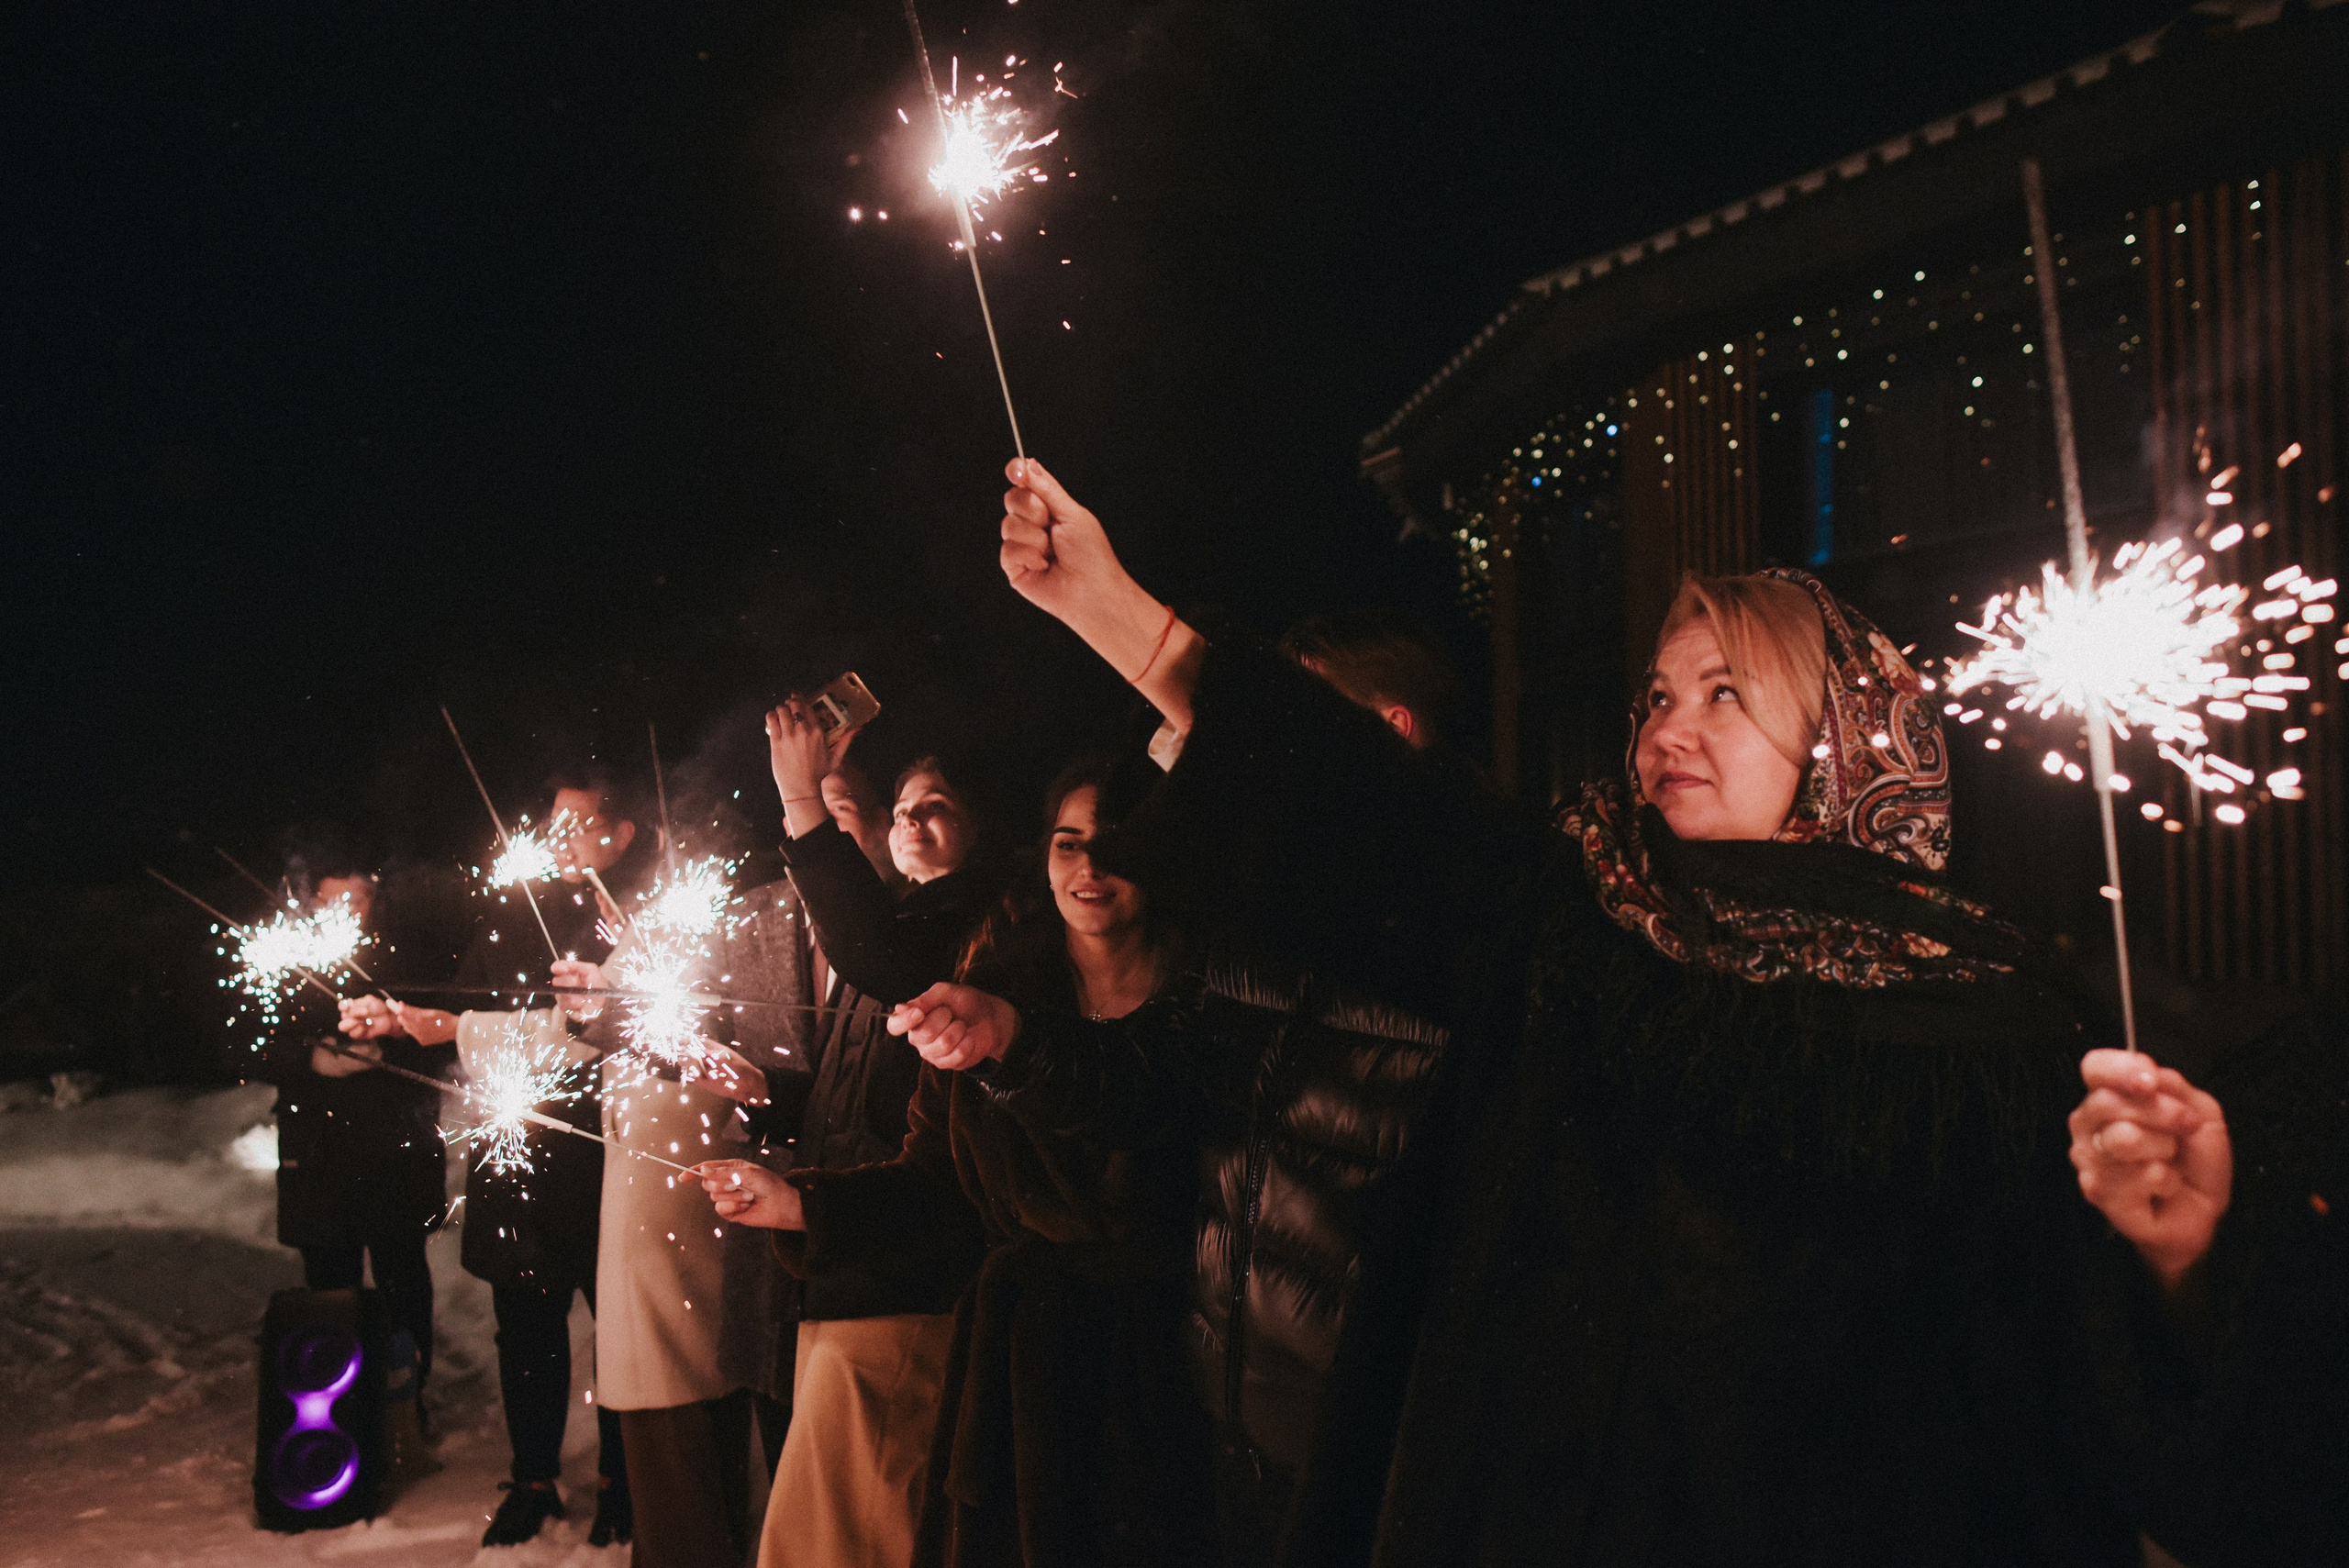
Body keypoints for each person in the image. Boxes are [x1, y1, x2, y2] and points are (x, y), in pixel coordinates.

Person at [992, 457, 2349, 1563]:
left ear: (1844, 739)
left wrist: (2181, 1257)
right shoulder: (1575, 918)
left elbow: (2090, 1396)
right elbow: (1373, 816)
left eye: (1724, 694)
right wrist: (1120, 617)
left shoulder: (1983, 1027)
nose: (1666, 728)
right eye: (1654, 693)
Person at [693, 757, 1217, 1568]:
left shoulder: (1206, 995)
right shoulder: (996, 982)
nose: (1090, 867)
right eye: (1068, 843)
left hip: (1175, 1381)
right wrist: (802, 1205)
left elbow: (1140, 1098)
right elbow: (938, 1184)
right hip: (1023, 1389)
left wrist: (1015, 1043)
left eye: (1114, 844)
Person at [340, 775, 646, 1547]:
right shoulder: (513, 910)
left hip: (605, 1152)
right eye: (553, 820)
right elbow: (457, 1010)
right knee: (526, 1324)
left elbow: (604, 1034)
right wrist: (394, 1017)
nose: (559, 835)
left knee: (620, 1324)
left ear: (622, 835)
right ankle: (534, 1477)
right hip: (515, 1155)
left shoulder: (637, 916)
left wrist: (453, 1026)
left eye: (580, 821)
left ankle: (623, 1479)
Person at [740, 706, 997, 1568]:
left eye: (937, 807)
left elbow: (882, 964)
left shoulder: (964, 933)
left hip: (903, 1273)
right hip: (847, 1260)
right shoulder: (897, 929)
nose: (912, 822)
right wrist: (762, 1093)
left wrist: (800, 799)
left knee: (846, 1537)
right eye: (905, 808)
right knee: (819, 1530)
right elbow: (853, 1101)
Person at [254, 867, 452, 1440]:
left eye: (356, 901)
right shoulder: (286, 964)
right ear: (313, 903)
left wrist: (392, 1043)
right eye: (331, 901)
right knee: (329, 1289)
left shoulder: (409, 963)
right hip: (319, 1155)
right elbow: (245, 1042)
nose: (343, 912)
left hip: (397, 1149)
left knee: (403, 1281)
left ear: (374, 901)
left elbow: (445, 1041)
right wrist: (310, 1059)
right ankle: (334, 1415)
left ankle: (404, 1408)